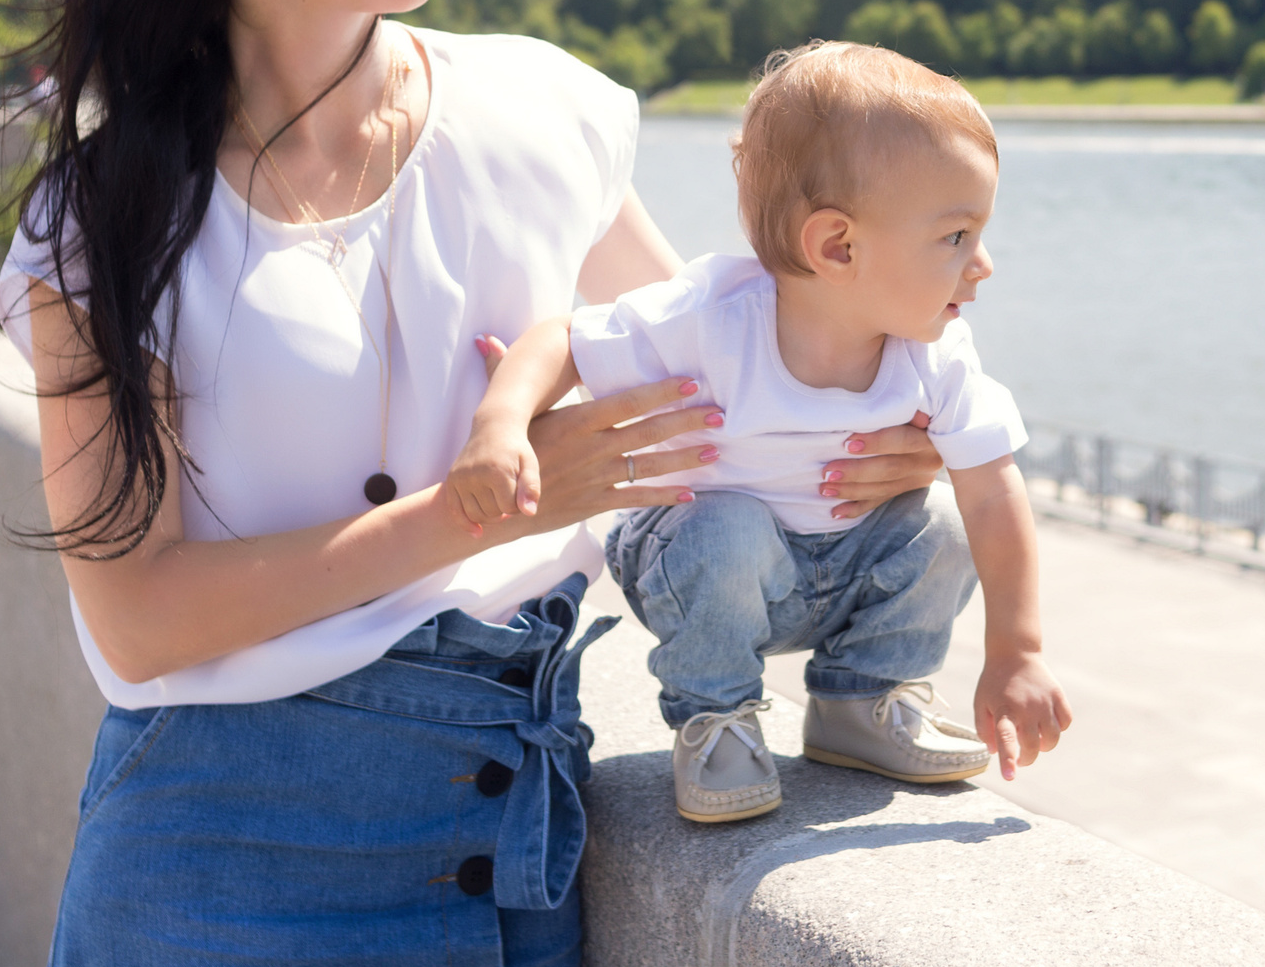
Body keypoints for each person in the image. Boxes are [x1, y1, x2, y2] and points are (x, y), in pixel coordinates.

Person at [0, 0, 945, 967]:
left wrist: (869, 427)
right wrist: (487, 502)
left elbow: (709, 391)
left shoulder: (538, 116)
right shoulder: (105, 221)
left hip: (504, 850)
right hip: (223, 880)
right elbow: (141, 617)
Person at [446, 41, 1072, 825]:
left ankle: (864, 699)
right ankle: (716, 718)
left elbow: (992, 493)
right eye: (956, 237)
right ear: (837, 246)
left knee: (941, 522)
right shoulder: (710, 318)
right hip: (699, 561)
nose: (983, 265)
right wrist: (502, 421)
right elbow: (564, 339)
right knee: (730, 524)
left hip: (836, 570)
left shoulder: (935, 351)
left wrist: (1017, 651)